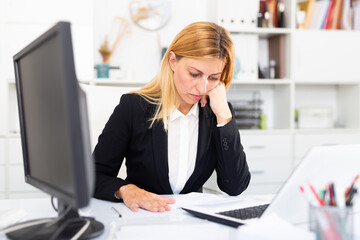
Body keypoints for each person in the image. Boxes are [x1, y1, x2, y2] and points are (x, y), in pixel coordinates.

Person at [93, 21, 251, 213]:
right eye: (194, 74)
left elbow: (235, 187)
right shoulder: (133, 107)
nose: (202, 88)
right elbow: (94, 175)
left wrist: (225, 117)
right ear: (173, 61)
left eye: (213, 78)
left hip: (191, 224)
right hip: (141, 218)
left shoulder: (216, 113)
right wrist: (127, 190)